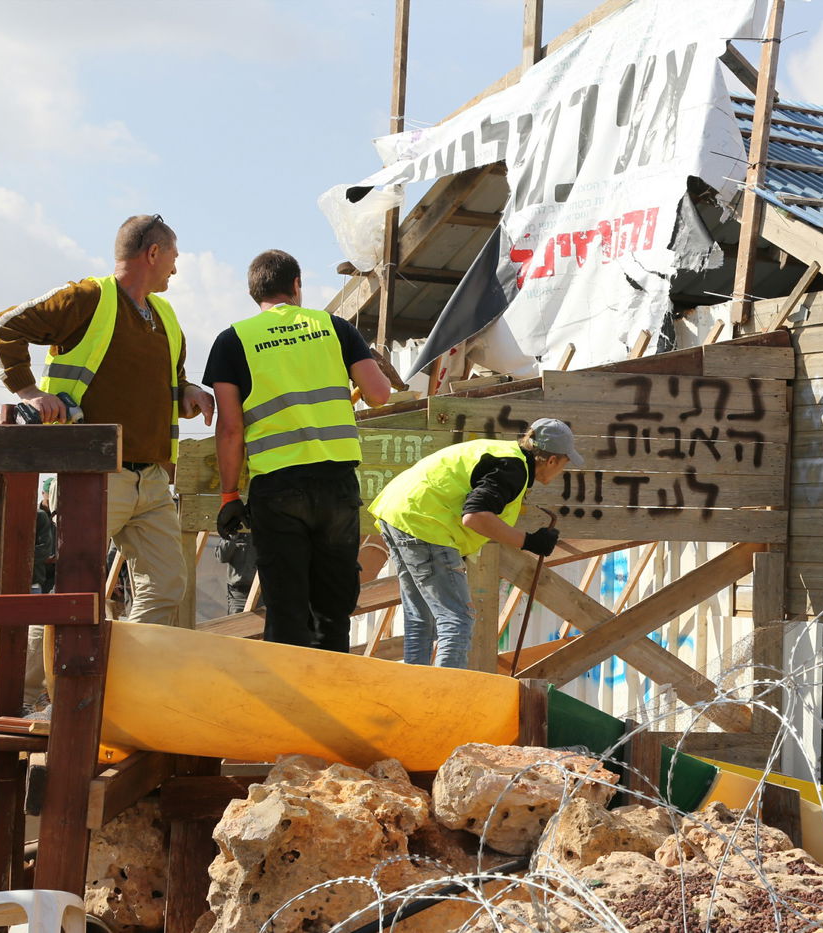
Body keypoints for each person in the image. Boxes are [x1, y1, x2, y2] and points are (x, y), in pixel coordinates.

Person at [0, 214, 215, 626]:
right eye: (174, 257)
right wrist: (29, 392)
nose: (177, 268)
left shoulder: (165, 315)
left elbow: (168, 384)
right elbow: (1, 328)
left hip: (151, 479)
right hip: (93, 474)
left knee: (166, 588)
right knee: (72, 591)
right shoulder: (87, 298)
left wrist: (189, 393)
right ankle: (35, 689)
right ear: (154, 253)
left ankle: (118, 683)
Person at [205, 249, 391, 650]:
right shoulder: (335, 328)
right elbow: (379, 394)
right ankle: (331, 701)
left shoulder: (232, 340)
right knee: (333, 610)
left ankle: (289, 705)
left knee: (287, 610)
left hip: (276, 488)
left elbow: (231, 429)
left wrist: (229, 495)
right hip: (336, 486)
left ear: (255, 292)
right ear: (296, 285)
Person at [369, 418, 580, 669]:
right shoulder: (513, 468)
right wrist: (529, 541)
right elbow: (475, 516)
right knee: (457, 619)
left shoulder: (503, 455)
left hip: (400, 513)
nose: (561, 472)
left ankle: (417, 696)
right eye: (565, 464)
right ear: (553, 460)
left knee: (421, 618)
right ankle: (446, 699)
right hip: (424, 524)